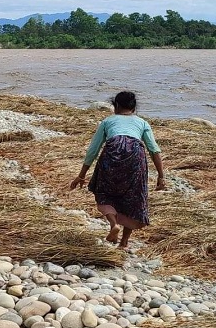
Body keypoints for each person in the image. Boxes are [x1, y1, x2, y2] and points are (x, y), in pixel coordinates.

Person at [69, 91, 166, 249]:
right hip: (135, 156)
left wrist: (81, 175)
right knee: (134, 197)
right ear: (134, 107)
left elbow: (93, 150)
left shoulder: (108, 121)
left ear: (116, 106)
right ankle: (124, 242)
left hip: (112, 153)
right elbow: (154, 150)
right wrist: (161, 176)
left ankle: (114, 224)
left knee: (103, 192)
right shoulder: (142, 123)